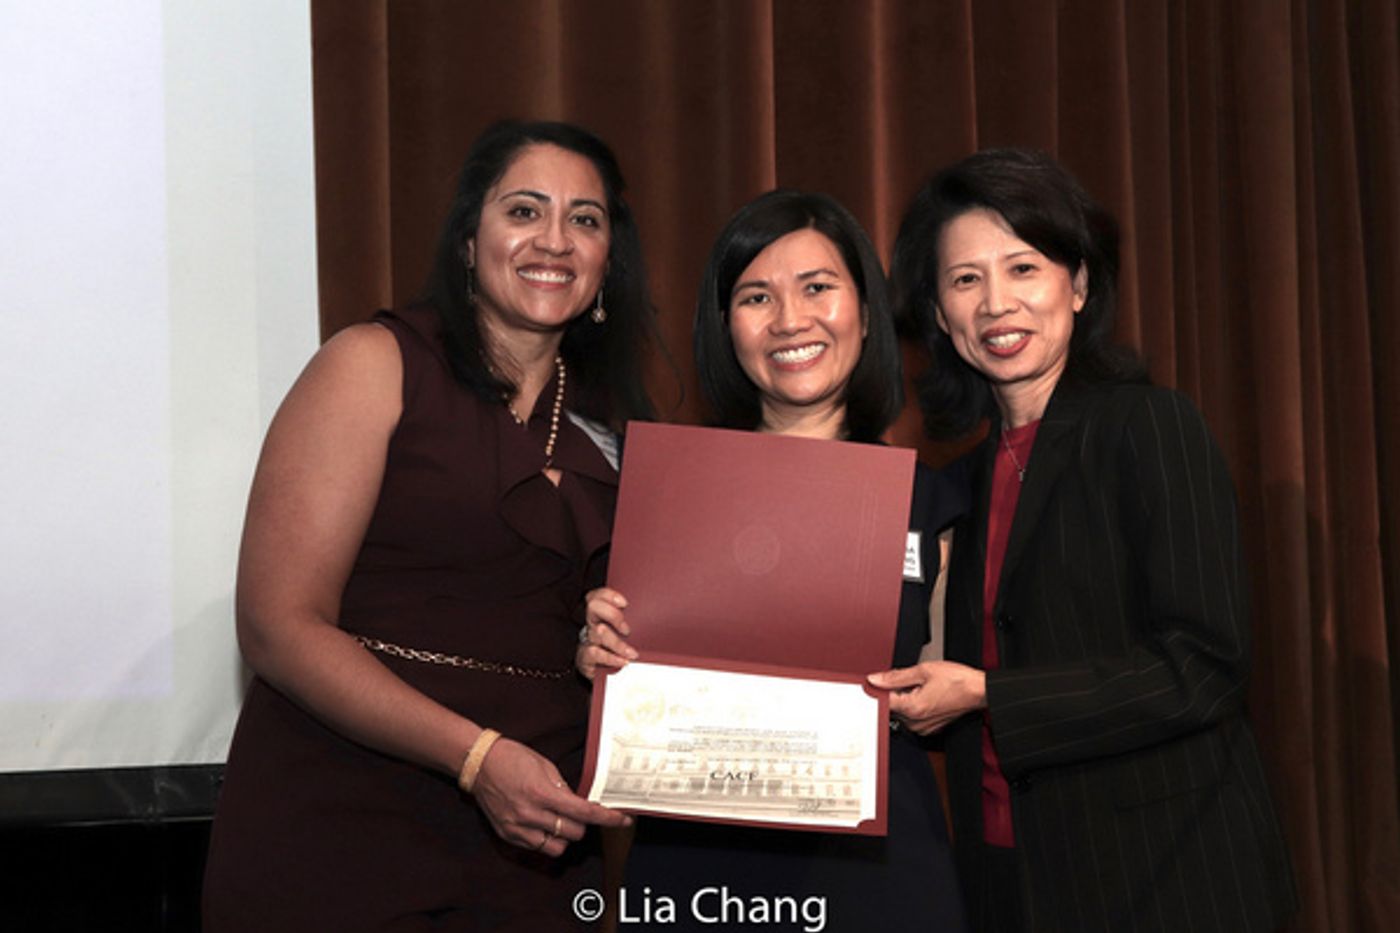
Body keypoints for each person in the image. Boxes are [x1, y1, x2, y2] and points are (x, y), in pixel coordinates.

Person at [202, 120, 656, 931]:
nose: (555, 240)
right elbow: (276, 623)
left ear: (608, 259)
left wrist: (606, 650)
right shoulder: (373, 364)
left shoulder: (618, 431)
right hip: (345, 822)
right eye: (525, 210)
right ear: (466, 239)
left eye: (586, 220)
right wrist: (477, 759)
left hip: (535, 849)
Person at [872, 148, 1297, 932]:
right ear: (937, 312)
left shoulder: (1151, 427)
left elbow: (1205, 664)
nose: (997, 303)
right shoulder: (952, 484)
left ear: (1079, 283)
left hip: (1169, 873)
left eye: (1023, 268)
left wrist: (988, 695)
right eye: (966, 280)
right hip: (1005, 874)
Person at [578, 190, 970, 932]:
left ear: (863, 308)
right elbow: (628, 693)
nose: (791, 320)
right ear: (726, 326)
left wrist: (954, 691)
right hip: (702, 875)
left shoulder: (930, 498)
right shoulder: (666, 490)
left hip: (879, 872)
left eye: (818, 287)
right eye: (757, 296)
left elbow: (948, 688)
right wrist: (602, 656)